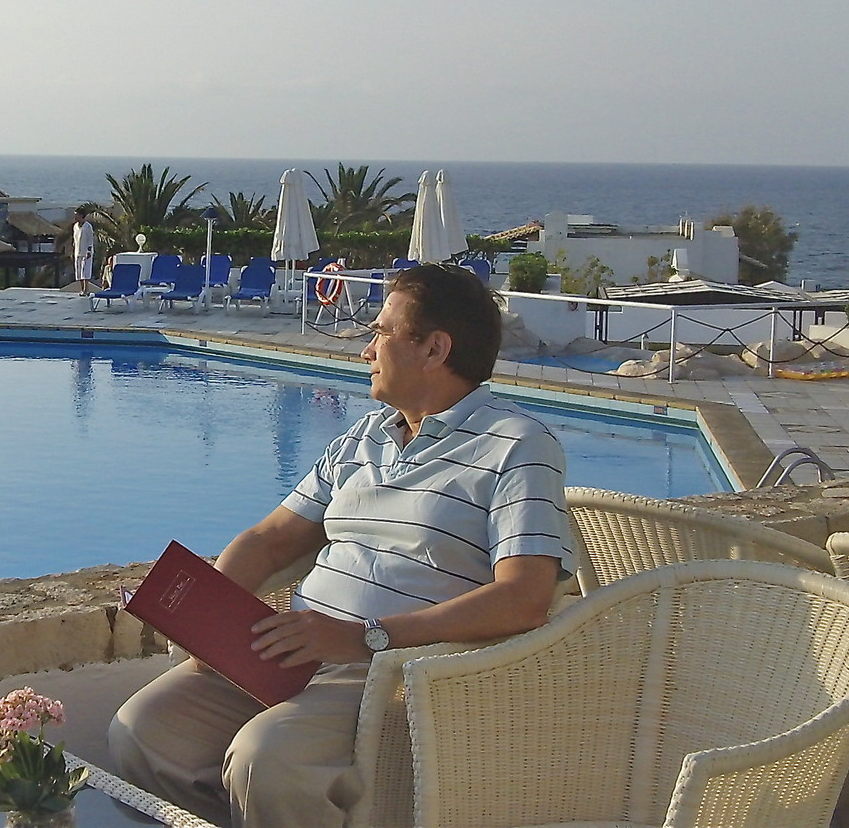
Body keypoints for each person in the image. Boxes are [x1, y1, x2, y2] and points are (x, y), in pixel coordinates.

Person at [109, 263, 573, 828]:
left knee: (264, 758)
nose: (366, 350)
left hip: (394, 672)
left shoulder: (518, 446)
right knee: (142, 730)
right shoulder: (364, 435)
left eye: (380, 332)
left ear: (434, 348)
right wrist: (211, 619)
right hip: (290, 652)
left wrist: (363, 638)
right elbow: (270, 538)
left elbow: (524, 598)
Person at [71, 207, 97, 296]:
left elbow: (90, 240)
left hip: (86, 252)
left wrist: (89, 251)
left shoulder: (88, 226)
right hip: (78, 251)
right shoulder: (75, 226)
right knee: (79, 271)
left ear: (81, 215)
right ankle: (82, 289)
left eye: (76, 215)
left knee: (85, 271)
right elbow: (74, 239)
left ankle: (86, 290)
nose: (75, 217)